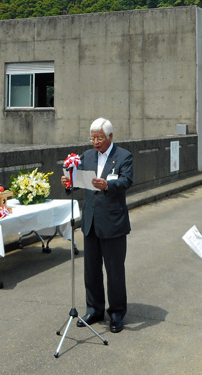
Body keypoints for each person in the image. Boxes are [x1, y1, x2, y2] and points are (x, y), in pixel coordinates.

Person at [60, 117, 133, 333]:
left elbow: (127, 180)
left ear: (110, 137)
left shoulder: (124, 156)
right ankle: (94, 309)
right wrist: (69, 183)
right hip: (91, 221)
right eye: (92, 138)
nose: (95, 142)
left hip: (113, 222)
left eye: (99, 138)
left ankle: (117, 312)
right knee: (91, 271)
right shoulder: (86, 156)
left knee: (114, 271)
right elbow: (80, 180)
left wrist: (108, 184)